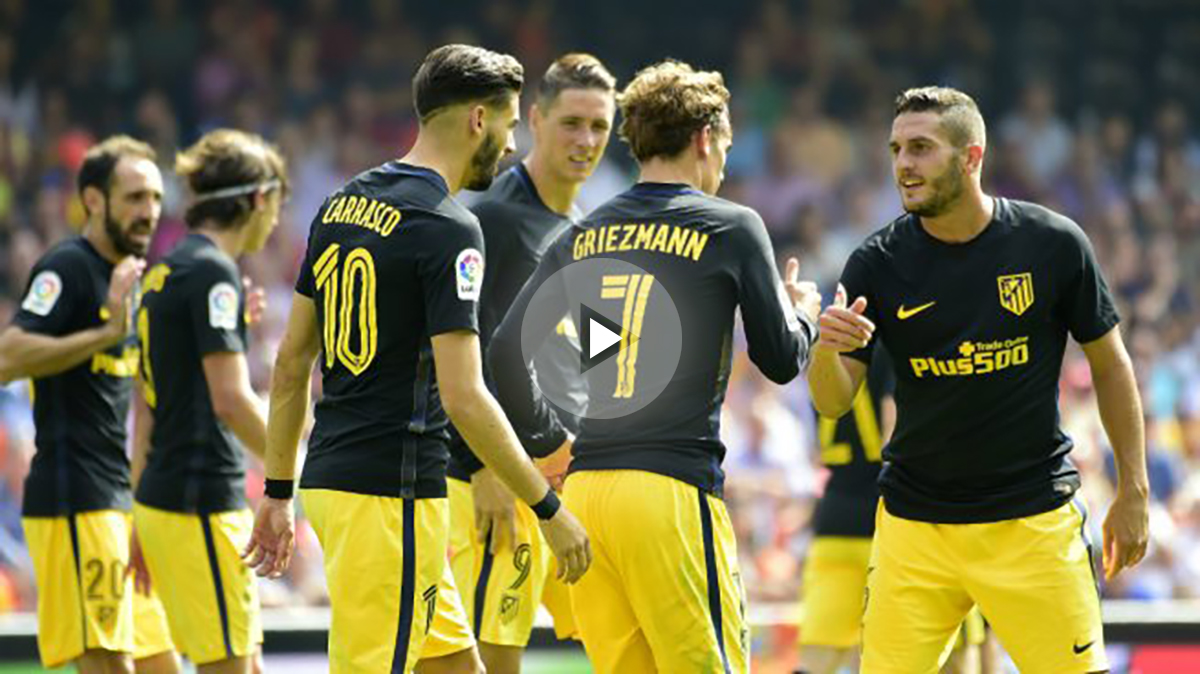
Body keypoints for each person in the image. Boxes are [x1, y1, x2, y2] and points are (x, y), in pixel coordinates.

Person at [241, 44, 591, 674]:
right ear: (479, 120)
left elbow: (293, 363)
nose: (510, 148)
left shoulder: (341, 204)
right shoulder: (449, 226)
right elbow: (465, 393)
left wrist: (277, 490)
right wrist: (548, 507)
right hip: (389, 494)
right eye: (509, 127)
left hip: (344, 477)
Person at [488, 59, 822, 674]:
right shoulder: (731, 226)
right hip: (670, 492)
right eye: (722, 146)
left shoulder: (583, 233)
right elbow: (779, 360)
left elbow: (507, 352)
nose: (722, 164)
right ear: (702, 139)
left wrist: (549, 442)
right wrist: (803, 313)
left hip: (589, 497)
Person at [808, 86, 1149, 674]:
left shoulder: (1053, 244)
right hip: (915, 528)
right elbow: (834, 401)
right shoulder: (876, 262)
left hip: (1032, 522)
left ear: (972, 157)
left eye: (921, 148)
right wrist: (824, 349)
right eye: (896, 149)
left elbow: (1111, 363)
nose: (903, 165)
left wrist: (1134, 489)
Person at [445, 52, 616, 674]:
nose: (586, 140)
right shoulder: (488, 218)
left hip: (566, 476)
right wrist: (483, 467)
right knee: (493, 657)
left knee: (614, 642)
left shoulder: (584, 229)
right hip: (499, 477)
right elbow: (444, 348)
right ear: (536, 120)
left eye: (600, 126)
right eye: (573, 122)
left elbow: (601, 350)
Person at [0, 136, 179, 674]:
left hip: (116, 501)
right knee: (108, 662)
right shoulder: (69, 268)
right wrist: (103, 335)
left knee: (161, 661)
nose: (148, 211)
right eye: (134, 197)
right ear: (95, 200)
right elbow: (8, 355)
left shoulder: (130, 276)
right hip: (73, 496)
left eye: (154, 197)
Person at [131, 129, 286, 674]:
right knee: (232, 667)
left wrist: (135, 514)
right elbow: (230, 400)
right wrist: (298, 473)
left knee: (244, 663)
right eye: (277, 205)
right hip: (198, 501)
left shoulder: (164, 273)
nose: (275, 224)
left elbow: (147, 408)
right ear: (260, 199)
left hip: (163, 497)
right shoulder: (213, 274)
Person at [797, 348, 988, 674]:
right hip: (895, 518)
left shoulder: (827, 347)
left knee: (819, 658)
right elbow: (895, 428)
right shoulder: (898, 336)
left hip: (834, 520)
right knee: (952, 646)